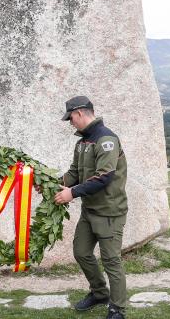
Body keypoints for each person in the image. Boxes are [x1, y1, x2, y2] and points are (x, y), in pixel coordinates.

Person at [53, 95, 128, 319]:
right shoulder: (82, 143)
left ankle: (117, 309)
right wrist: (54, 184)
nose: (70, 123)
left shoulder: (106, 140)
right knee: (81, 252)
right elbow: (75, 174)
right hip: (90, 211)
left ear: (80, 113)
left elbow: (104, 177)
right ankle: (99, 293)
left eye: (71, 119)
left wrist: (72, 193)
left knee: (111, 261)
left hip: (109, 212)